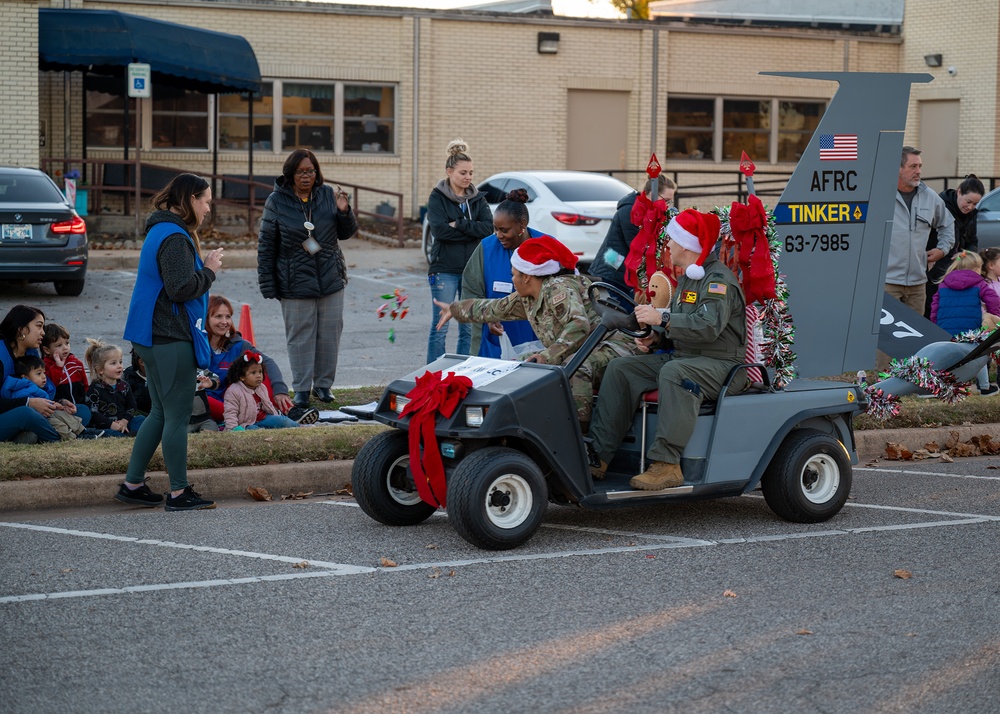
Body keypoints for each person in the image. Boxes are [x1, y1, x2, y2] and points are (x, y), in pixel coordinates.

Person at [589, 209, 748, 490]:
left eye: (673, 241)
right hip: (689, 357)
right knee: (621, 369)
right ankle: (599, 457)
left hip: (722, 366)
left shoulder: (717, 280)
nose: (669, 246)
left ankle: (667, 464)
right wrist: (656, 338)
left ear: (687, 245)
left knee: (675, 372)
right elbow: (683, 330)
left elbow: (708, 326)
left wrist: (662, 318)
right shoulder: (689, 277)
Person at [435, 235, 641, 430]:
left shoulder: (558, 288)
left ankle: (579, 439)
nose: (512, 279)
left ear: (527, 277)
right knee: (520, 364)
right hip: (585, 347)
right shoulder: (528, 296)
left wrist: (546, 355)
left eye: (514, 274)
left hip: (615, 346)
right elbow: (494, 308)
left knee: (576, 369)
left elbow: (579, 325)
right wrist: (454, 309)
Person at [121, 173, 223, 511]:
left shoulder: (159, 230)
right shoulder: (175, 237)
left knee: (161, 413)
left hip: (150, 336)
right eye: (206, 201)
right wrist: (208, 271)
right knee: (177, 416)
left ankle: (133, 483)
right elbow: (180, 288)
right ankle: (179, 493)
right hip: (168, 337)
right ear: (190, 199)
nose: (208, 208)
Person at [258, 149, 357, 408]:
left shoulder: (327, 195)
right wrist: (268, 282)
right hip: (294, 282)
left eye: (311, 171)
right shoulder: (276, 201)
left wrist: (345, 212)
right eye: (301, 171)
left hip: (330, 278)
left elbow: (346, 233)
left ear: (317, 173)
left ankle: (323, 386)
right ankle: (301, 388)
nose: (306, 176)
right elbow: (266, 244)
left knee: (329, 334)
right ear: (290, 173)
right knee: (300, 336)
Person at [425, 139, 494, 363]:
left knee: (468, 327)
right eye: (463, 172)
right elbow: (441, 232)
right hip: (444, 269)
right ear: (449, 171)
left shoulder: (477, 198)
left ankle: (464, 373)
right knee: (441, 326)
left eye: (471, 173)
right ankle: (433, 374)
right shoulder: (437, 197)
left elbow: (487, 229)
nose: (468, 178)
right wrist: (470, 231)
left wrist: (460, 224)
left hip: (471, 271)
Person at [461, 188, 544, 358]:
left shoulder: (546, 247)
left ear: (522, 225)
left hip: (539, 337)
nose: (499, 235)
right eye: (495, 229)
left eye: (504, 230)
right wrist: (487, 317)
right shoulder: (486, 248)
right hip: (496, 340)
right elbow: (471, 291)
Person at [204, 295, 304, 421]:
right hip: (207, 403)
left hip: (232, 399)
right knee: (201, 400)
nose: (224, 322)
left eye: (228, 317)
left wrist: (280, 390)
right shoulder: (195, 345)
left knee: (259, 368)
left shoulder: (237, 344)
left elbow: (268, 362)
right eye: (218, 316)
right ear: (206, 318)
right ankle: (257, 416)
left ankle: (289, 410)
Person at [885, 146, 955, 313]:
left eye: (920, 166)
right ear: (898, 168)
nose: (918, 171)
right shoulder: (881, 196)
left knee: (915, 337)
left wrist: (942, 249)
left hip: (918, 284)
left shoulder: (930, 197)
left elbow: (948, 224)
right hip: (886, 283)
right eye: (913, 166)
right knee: (885, 337)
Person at [929, 251, 1000, 396]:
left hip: (946, 329)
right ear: (976, 269)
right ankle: (985, 388)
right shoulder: (979, 284)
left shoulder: (944, 284)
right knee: (977, 356)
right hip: (971, 329)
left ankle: (933, 387)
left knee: (942, 359)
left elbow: (935, 307)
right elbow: (993, 300)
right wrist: (995, 316)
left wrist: (935, 324)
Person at [591, 177, 677, 294]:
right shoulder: (632, 210)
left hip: (623, 266)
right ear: (652, 194)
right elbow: (638, 245)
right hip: (616, 269)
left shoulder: (649, 209)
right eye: (666, 200)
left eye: (669, 201)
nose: (667, 205)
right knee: (626, 308)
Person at [925, 175, 987, 316]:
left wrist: (965, 256)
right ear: (959, 192)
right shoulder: (941, 207)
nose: (970, 207)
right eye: (968, 202)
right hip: (936, 267)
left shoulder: (971, 215)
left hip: (956, 267)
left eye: (975, 204)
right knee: (932, 305)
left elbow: (972, 240)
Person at [1, 355, 102, 439]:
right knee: (56, 422)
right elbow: (29, 406)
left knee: (70, 413)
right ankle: (73, 437)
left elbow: (45, 401)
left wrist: (58, 403)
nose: (44, 376)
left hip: (46, 412)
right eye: (38, 373)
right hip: (39, 416)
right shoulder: (22, 390)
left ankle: (82, 430)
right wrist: (51, 404)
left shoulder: (35, 387)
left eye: (44, 373)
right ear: (25, 377)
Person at [0, 305, 60, 443]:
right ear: (21, 329)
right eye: (39, 326)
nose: (43, 333)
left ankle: (26, 436)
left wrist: (58, 403)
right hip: (12, 416)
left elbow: (42, 388)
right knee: (26, 414)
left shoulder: (31, 353)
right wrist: (28, 402)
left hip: (29, 415)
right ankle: (62, 440)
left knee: (81, 411)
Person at [223, 351, 303, 431]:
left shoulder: (261, 387)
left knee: (284, 421)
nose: (258, 376)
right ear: (242, 376)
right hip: (245, 424)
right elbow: (230, 412)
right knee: (254, 430)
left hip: (262, 418)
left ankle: (300, 428)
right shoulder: (233, 391)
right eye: (253, 373)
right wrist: (233, 429)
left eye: (260, 372)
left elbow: (268, 405)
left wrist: (276, 417)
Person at [84, 338, 144, 437]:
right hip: (105, 426)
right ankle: (126, 435)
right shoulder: (95, 389)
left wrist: (125, 421)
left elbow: (132, 406)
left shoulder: (124, 386)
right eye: (113, 363)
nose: (119, 366)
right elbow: (93, 412)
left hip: (123, 423)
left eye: (120, 362)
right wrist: (111, 424)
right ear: (100, 370)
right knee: (106, 433)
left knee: (141, 419)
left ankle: (131, 433)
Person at [41, 322, 93, 428]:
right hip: (59, 408)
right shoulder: (44, 366)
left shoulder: (76, 363)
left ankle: (80, 426)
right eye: (59, 345)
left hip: (77, 406)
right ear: (46, 350)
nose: (65, 348)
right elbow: (51, 386)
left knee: (85, 411)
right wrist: (58, 367)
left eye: (67, 343)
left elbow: (85, 385)